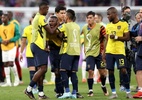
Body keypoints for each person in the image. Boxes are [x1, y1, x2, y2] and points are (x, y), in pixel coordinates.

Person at [24, 2, 58, 100]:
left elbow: (43, 34)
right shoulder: (41, 18)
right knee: (43, 69)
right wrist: (58, 24)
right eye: (46, 9)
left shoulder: (37, 18)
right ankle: (29, 89)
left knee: (41, 70)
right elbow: (51, 31)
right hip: (38, 46)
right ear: (41, 8)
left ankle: (41, 94)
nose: (47, 11)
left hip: (35, 45)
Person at [105, 7, 132, 99]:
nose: (107, 16)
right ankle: (114, 93)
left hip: (120, 52)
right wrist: (104, 52)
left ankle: (128, 92)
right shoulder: (108, 26)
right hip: (109, 52)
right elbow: (106, 40)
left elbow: (127, 38)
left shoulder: (123, 24)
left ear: (114, 14)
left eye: (109, 14)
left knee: (123, 70)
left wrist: (116, 37)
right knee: (110, 72)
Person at [81, 11, 108, 97]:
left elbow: (106, 38)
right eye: (87, 18)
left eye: (91, 18)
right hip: (89, 53)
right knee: (90, 71)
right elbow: (82, 38)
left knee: (102, 72)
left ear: (94, 18)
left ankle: (103, 85)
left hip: (99, 53)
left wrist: (104, 50)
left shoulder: (101, 27)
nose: (89, 19)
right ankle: (90, 90)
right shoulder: (84, 28)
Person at [57, 9, 81, 99]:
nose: (63, 16)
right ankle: (74, 93)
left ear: (67, 17)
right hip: (77, 51)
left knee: (63, 71)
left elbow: (56, 31)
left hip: (68, 51)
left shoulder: (65, 26)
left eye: (65, 15)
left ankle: (67, 91)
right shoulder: (77, 26)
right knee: (73, 72)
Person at [48, 5, 66, 98]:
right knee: (57, 71)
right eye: (61, 13)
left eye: (64, 13)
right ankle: (59, 90)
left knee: (65, 71)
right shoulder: (51, 22)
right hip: (54, 50)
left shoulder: (67, 22)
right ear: (56, 13)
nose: (63, 15)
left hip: (65, 49)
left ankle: (60, 88)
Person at [0, 12, 20, 87]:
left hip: (12, 46)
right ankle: (8, 81)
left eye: (4, 17)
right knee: (5, 64)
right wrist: (1, 41)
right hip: (4, 47)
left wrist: (10, 40)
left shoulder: (13, 25)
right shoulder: (0, 27)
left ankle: (16, 79)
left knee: (11, 63)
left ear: (8, 18)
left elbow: (18, 35)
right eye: (2, 17)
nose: (2, 19)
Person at [20, 14, 38, 94]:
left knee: (34, 71)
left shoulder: (27, 28)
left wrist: (21, 53)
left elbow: (23, 42)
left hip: (33, 51)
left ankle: (35, 88)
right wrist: (21, 52)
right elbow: (23, 42)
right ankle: (35, 88)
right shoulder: (40, 29)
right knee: (34, 70)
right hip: (35, 52)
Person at [119, 6, 136, 91]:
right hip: (120, 47)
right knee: (122, 66)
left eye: (129, 12)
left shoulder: (133, 22)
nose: (128, 13)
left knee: (129, 67)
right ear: (122, 12)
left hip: (130, 47)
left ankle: (127, 84)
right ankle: (122, 84)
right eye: (126, 12)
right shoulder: (118, 22)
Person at [8, 11, 23, 84]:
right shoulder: (7, 23)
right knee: (8, 62)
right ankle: (10, 80)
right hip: (8, 45)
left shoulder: (14, 23)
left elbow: (17, 34)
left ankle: (19, 79)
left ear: (11, 15)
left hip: (15, 45)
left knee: (15, 61)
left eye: (8, 15)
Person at [133, 9, 142, 98]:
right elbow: (133, 32)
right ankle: (140, 91)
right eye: (140, 12)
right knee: (138, 70)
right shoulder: (140, 24)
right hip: (139, 50)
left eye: (141, 12)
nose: (140, 13)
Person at [0, 10, 5, 84]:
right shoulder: (3, 24)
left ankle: (2, 78)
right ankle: (2, 79)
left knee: (2, 63)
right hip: (3, 45)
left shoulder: (2, 24)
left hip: (3, 45)